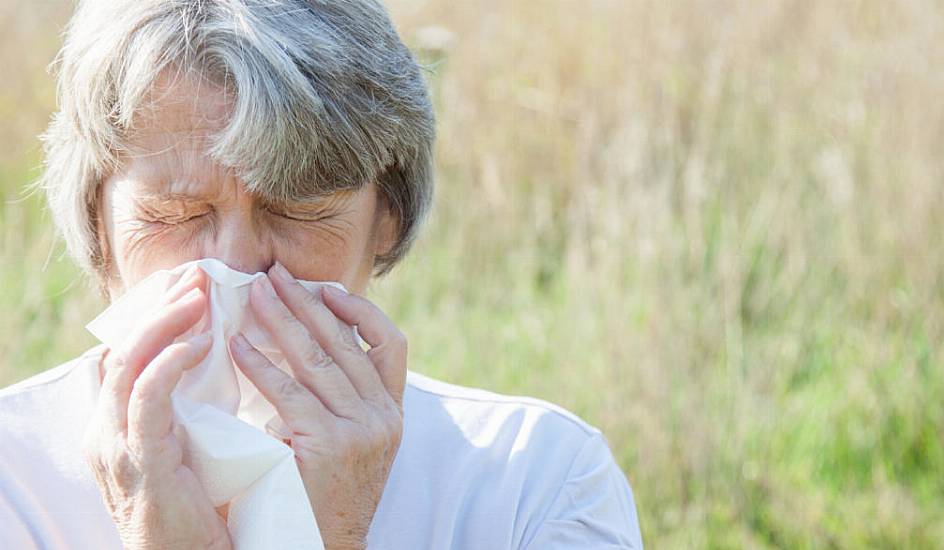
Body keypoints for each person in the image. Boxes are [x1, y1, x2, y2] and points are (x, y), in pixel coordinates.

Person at [0, 1, 643, 548]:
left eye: (297, 210)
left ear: (385, 221)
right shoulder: (15, 480)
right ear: (98, 227)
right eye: (177, 213)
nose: (235, 265)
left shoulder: (535, 483)